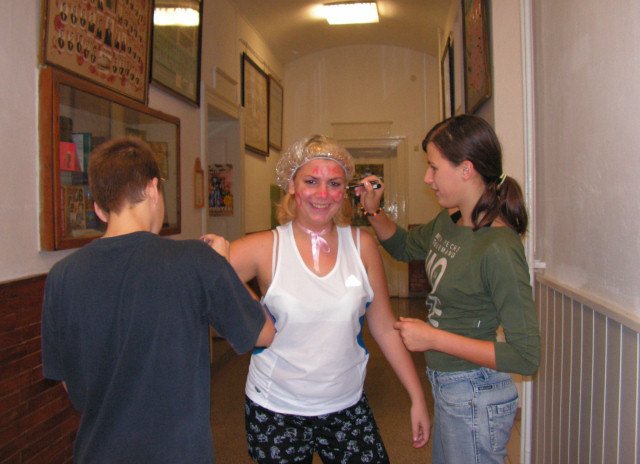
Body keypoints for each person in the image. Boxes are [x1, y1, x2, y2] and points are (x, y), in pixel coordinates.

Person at [41, 136, 275, 463]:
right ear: (152, 189)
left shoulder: (61, 276)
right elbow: (263, 333)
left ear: (99, 209)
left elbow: (73, 387)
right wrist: (224, 267)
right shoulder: (196, 260)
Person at [204, 135, 430, 463]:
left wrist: (417, 396)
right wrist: (247, 299)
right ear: (292, 185)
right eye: (311, 181)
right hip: (275, 407)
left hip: (346, 404)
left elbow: (384, 327)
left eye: (334, 183)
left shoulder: (362, 246)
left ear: (345, 190)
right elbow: (201, 277)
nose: (323, 194)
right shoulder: (265, 247)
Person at [357, 115, 540, 464]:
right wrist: (374, 210)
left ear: (466, 169)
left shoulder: (498, 248)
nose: (427, 179)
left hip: (475, 391)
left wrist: (434, 338)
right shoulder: (451, 220)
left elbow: (526, 356)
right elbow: (405, 246)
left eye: (433, 168)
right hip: (450, 386)